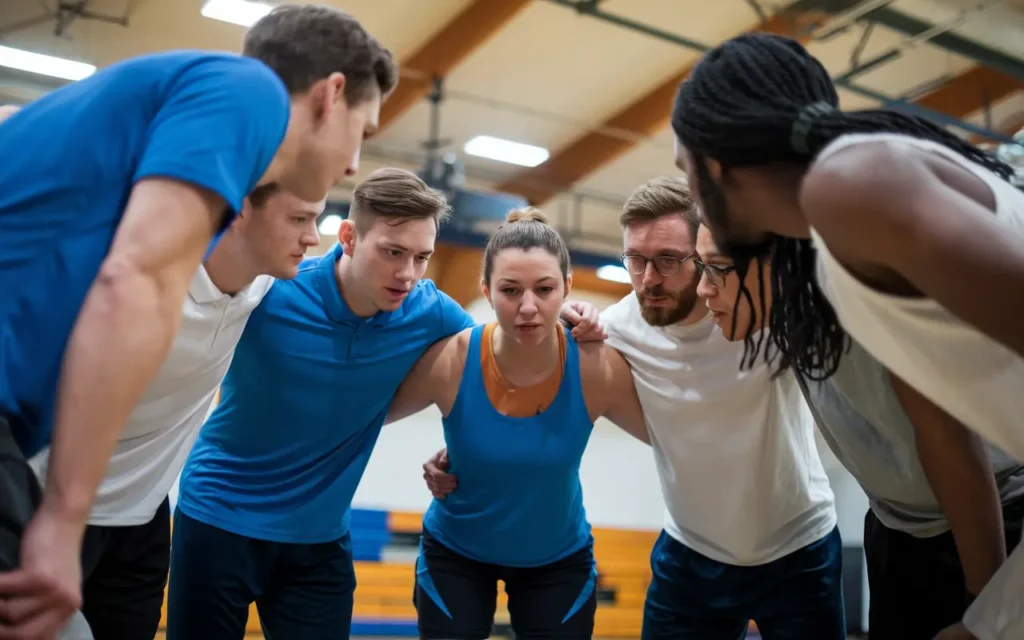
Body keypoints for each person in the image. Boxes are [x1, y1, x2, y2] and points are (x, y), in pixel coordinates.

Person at [0, 4, 394, 636]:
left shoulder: (157, 150)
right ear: (331, 95)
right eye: (363, 132)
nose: (353, 164)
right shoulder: (248, 92)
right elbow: (134, 280)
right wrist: (64, 520)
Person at [670, 31, 1024, 639]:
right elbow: (942, 433)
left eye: (685, 169)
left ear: (714, 164)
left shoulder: (847, 187)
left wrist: (996, 614)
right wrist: (981, 609)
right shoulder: (829, 243)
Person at [167, 168, 605, 640]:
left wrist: (558, 309)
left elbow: (499, 342)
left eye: (422, 257)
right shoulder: (271, 291)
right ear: (350, 237)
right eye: (393, 252)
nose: (408, 274)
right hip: (217, 519)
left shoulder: (429, 312)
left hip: (319, 542)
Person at [427, 177, 843, 639]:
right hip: (691, 553)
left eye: (667, 260)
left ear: (703, 254)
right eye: (635, 260)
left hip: (797, 549)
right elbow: (529, 371)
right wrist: (460, 455)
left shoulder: (764, 312)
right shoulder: (615, 329)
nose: (648, 278)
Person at [694, 221, 1024, 639]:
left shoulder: (860, 301)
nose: (704, 288)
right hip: (896, 530)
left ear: (780, 264)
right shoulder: (782, 314)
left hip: (992, 517)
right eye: (700, 266)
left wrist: (986, 611)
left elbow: (952, 445)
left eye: (717, 268)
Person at [26, 184, 322, 639]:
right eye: (300, 219)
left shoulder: (264, 282)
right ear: (240, 211)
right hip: (48, 502)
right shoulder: (142, 275)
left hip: (142, 517)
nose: (313, 237)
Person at [385, 209, 646, 639]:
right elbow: (365, 416)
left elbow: (673, 440)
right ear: (486, 291)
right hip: (456, 553)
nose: (528, 307)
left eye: (545, 289)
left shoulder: (596, 368)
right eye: (510, 290)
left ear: (567, 287)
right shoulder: (452, 361)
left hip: (557, 560)